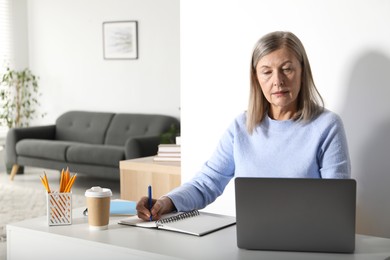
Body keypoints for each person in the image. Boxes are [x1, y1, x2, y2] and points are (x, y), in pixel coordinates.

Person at [136, 31, 351, 221]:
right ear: (256, 78)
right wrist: (165, 202)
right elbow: (207, 183)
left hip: (309, 241)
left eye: (287, 69)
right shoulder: (241, 127)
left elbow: (337, 204)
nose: (278, 81)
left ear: (302, 72)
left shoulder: (326, 126)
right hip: (253, 241)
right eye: (267, 72)